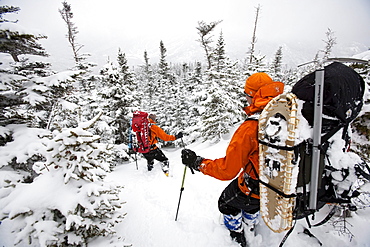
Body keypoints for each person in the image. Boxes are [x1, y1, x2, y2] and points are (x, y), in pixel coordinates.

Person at [181, 72, 284, 247]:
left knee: (225, 203)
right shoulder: (285, 116)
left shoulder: (250, 128)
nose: (245, 99)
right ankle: (250, 223)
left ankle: (236, 233)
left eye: (247, 95)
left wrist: (198, 163)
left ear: (253, 96)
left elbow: (228, 170)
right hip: (276, 185)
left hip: (254, 185)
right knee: (251, 203)